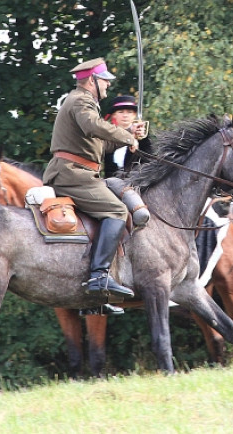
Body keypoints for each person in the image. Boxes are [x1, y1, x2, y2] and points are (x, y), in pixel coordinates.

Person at [43, 57, 146, 298]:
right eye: (105, 81)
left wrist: (128, 132)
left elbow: (99, 145)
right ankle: (99, 276)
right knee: (117, 211)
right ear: (92, 81)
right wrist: (128, 137)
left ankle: (96, 295)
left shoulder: (83, 103)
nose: (108, 86)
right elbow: (92, 126)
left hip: (78, 172)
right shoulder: (80, 101)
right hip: (71, 174)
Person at [102, 95, 152, 176]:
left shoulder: (142, 136)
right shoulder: (108, 134)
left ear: (134, 115)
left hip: (136, 180)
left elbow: (148, 160)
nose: (125, 115)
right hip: (111, 180)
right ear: (114, 115)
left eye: (129, 112)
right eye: (121, 112)